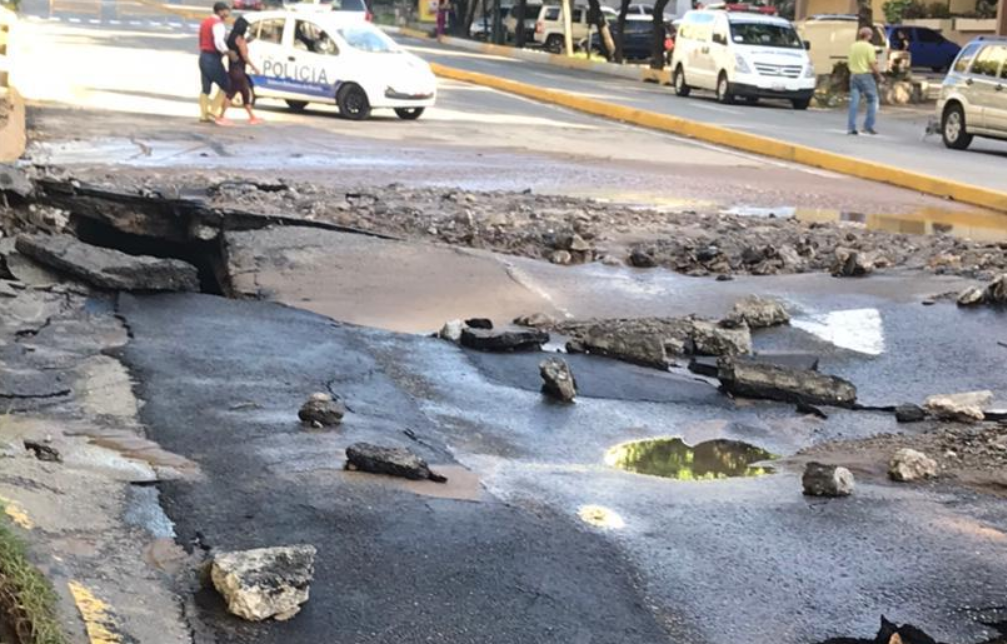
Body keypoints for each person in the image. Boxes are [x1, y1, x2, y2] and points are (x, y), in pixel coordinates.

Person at [217, 16, 263, 126]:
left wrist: (246, 41)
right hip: (239, 70)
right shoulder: (240, 39)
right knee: (232, 93)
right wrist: (254, 67)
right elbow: (244, 56)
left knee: (245, 92)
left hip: (233, 68)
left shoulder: (232, 37)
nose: (247, 30)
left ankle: (252, 117)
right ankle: (220, 117)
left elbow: (235, 48)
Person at [198, 2, 231, 123]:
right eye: (227, 11)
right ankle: (213, 110)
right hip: (212, 58)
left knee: (206, 88)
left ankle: (203, 115)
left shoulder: (206, 22)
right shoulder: (218, 24)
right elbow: (218, 41)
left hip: (203, 57)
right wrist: (227, 52)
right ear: (221, 11)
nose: (228, 14)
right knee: (226, 84)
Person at [847, 26, 882, 136]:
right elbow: (872, 63)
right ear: (868, 36)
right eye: (871, 35)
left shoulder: (853, 46)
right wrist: (879, 76)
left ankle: (851, 128)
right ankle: (868, 126)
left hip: (854, 75)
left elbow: (849, 61)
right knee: (873, 100)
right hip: (865, 75)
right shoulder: (869, 47)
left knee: (854, 102)